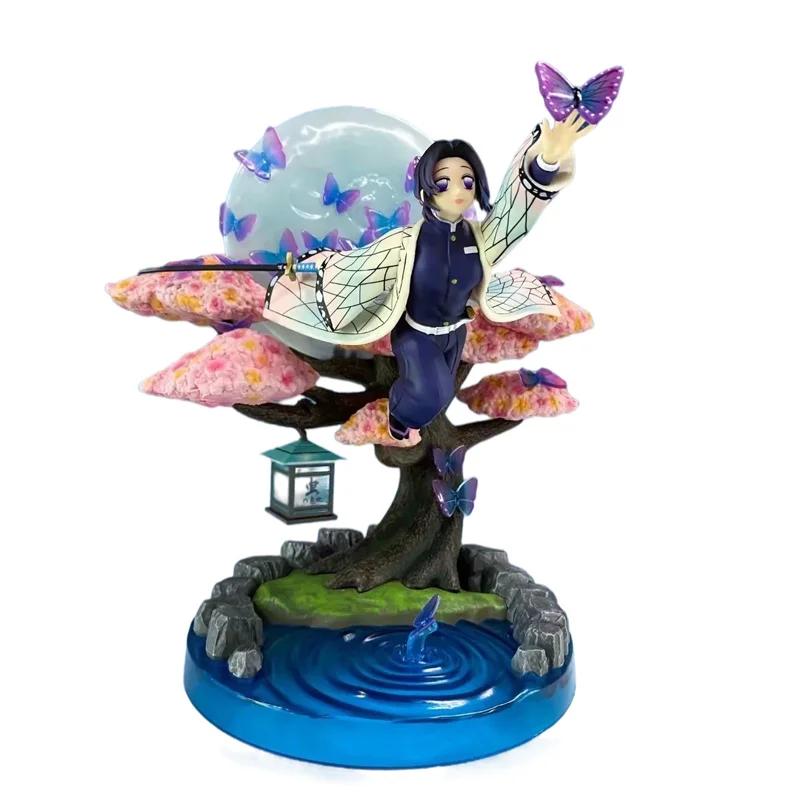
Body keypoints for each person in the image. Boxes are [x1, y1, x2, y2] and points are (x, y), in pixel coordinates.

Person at [262, 112, 594, 438]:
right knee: (431, 395)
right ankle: (398, 416)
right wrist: (305, 269)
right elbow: (354, 266)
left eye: (467, 181)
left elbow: (513, 216)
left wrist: (546, 162)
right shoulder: (406, 242)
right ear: (427, 189)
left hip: (456, 333)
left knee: (442, 394)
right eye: (444, 183)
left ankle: (412, 419)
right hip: (415, 335)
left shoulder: (481, 239)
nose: (458, 191)